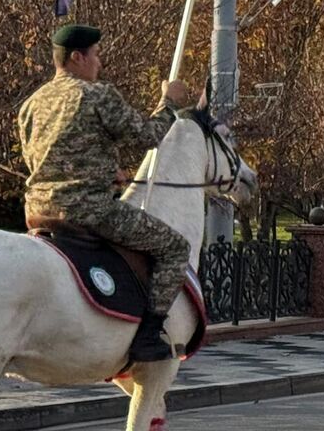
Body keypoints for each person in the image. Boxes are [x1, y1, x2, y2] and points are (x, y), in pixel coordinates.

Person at [18, 24, 196, 364]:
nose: (99, 63)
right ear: (77, 57)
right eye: (96, 55)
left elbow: (40, 160)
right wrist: (169, 104)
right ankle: (149, 336)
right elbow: (147, 136)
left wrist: (104, 171)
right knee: (175, 247)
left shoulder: (31, 104)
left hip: (37, 209)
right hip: (89, 211)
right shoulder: (97, 95)